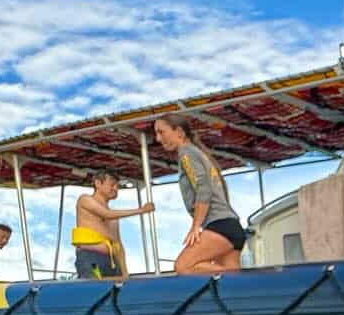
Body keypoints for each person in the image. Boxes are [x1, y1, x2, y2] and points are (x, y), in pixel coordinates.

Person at [152, 114, 247, 275]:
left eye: (162, 132)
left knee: (184, 266)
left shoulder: (186, 153)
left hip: (220, 226)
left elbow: (203, 188)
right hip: (230, 225)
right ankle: (241, 280)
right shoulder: (197, 153)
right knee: (229, 282)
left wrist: (195, 226)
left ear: (179, 132)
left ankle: (246, 279)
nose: (158, 139)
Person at [71, 170, 153, 279]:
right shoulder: (85, 200)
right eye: (112, 185)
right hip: (91, 259)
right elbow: (106, 214)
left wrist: (125, 272)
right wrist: (141, 210)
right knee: (95, 289)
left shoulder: (114, 218)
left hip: (112, 262)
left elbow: (118, 244)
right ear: (98, 183)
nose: (116, 189)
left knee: (115, 293)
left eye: (117, 186)